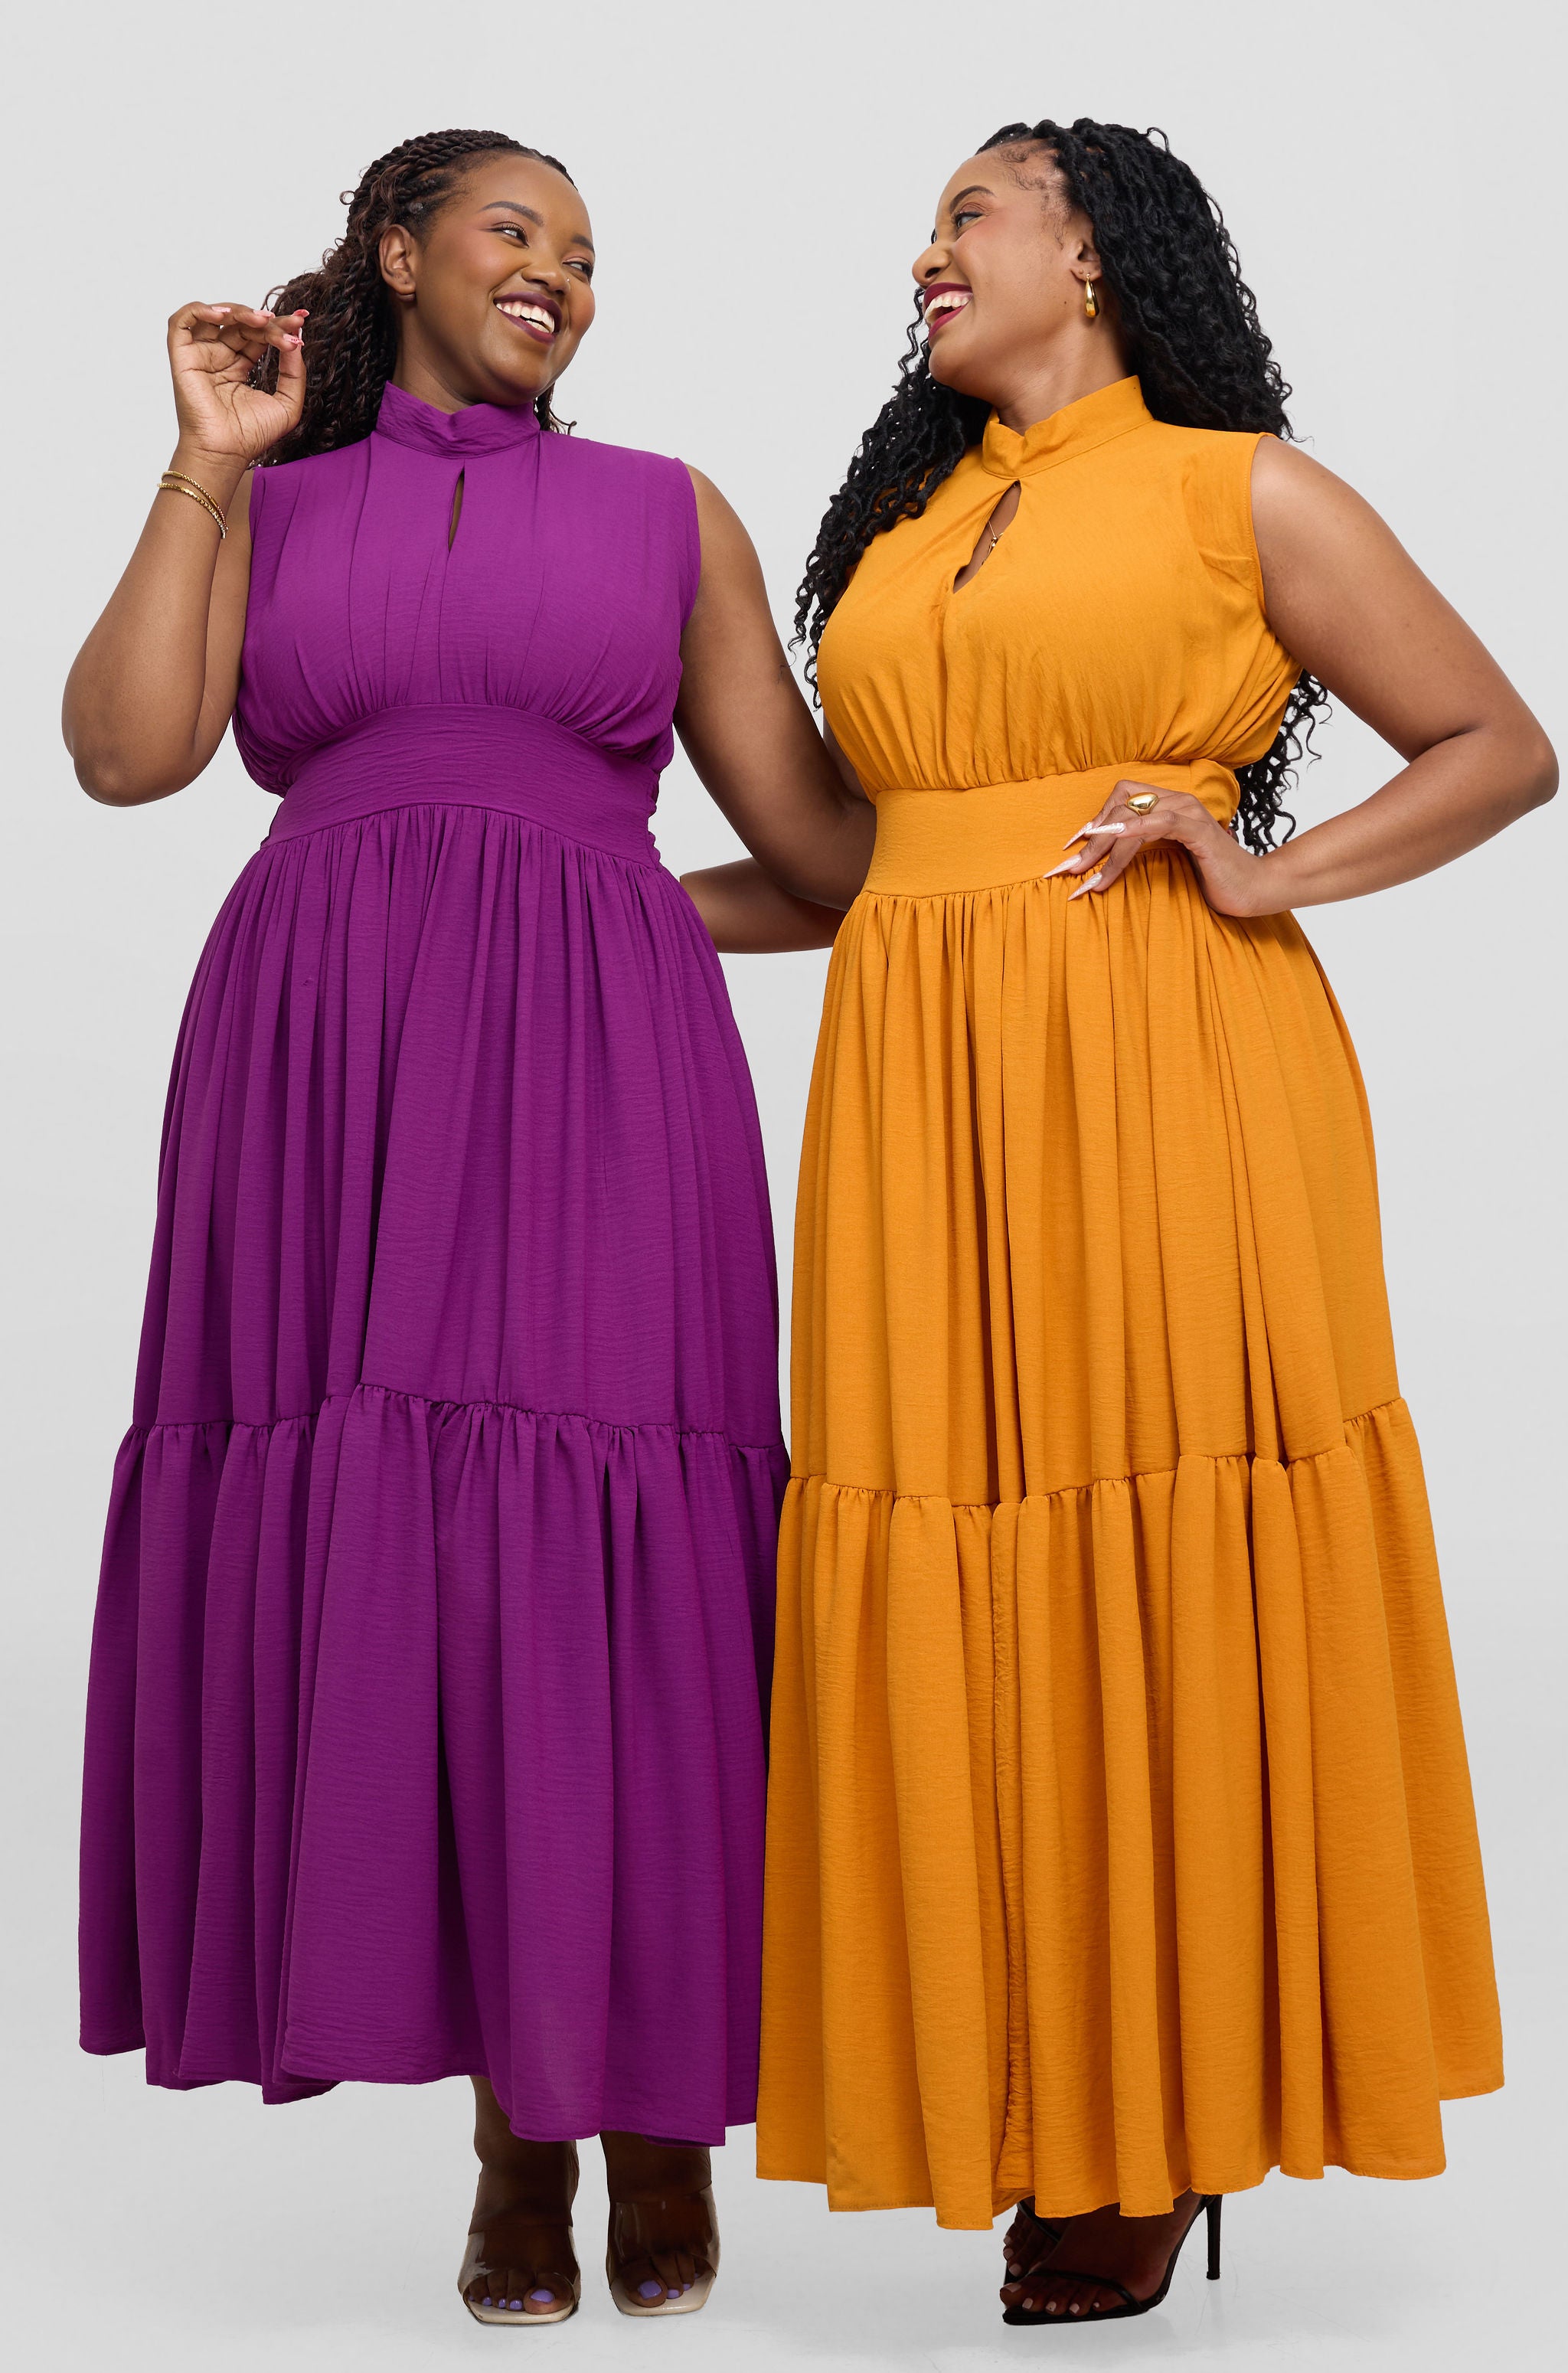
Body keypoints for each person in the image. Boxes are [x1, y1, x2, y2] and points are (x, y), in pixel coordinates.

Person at [682, 116, 1552, 2325]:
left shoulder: (1238, 490)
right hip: (918, 1095)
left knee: (1158, 1538)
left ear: (1094, 250)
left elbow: (1495, 741)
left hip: (1170, 1072)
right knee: (952, 1551)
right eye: (930, 224)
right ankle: (1024, 2095)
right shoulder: (899, 537)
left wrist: (1270, 870)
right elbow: (864, 865)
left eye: (972, 211)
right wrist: (589, 908)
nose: (931, 250)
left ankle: (1159, 2119)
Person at [64, 126, 854, 2326]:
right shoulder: (273, 498)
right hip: (322, 1061)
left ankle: (656, 2109)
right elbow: (124, 753)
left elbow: (824, 858)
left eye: (587, 257)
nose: (560, 278)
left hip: (601, 1061)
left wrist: (606, 902)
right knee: (401, 1552)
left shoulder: (669, 512)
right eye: (519, 233)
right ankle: (519, 2128)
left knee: (618, 1549)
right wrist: (208, 458)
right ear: (399, 252)